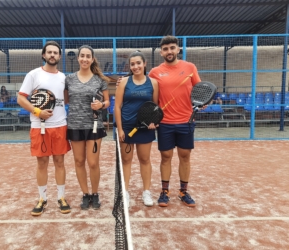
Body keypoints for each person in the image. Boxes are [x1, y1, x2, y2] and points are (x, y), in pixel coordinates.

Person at [17, 41, 72, 215]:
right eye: (49, 52)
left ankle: (61, 198)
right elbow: (20, 98)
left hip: (60, 125)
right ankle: (42, 199)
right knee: (42, 163)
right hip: (39, 126)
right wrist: (37, 111)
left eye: (55, 53)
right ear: (43, 55)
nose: (52, 55)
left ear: (60, 56)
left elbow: (65, 99)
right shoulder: (33, 75)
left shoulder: (64, 77)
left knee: (60, 162)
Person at [149, 35, 201, 207]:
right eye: (165, 49)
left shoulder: (190, 67)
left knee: (185, 157)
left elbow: (199, 91)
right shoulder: (154, 72)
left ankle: (183, 192)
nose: (169, 51)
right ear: (161, 52)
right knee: (166, 157)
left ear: (178, 49)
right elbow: (145, 90)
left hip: (186, 121)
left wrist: (202, 104)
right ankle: (165, 192)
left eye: (172, 48)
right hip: (164, 123)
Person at [64, 45, 110, 210]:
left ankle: (95, 193)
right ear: (78, 58)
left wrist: (100, 105)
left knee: (93, 162)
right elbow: (66, 100)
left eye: (87, 56)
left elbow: (107, 102)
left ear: (92, 59)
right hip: (75, 125)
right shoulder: (69, 79)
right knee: (79, 161)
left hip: (94, 126)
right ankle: (85, 194)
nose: (84, 59)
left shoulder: (100, 80)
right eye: (81, 56)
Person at [114, 51, 159, 208]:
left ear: (144, 64)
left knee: (145, 160)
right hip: (127, 128)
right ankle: (124, 192)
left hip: (145, 129)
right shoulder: (124, 82)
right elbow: (117, 107)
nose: (136, 66)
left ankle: (146, 191)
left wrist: (153, 122)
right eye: (132, 64)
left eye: (138, 63)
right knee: (126, 160)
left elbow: (155, 107)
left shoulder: (153, 83)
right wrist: (120, 129)